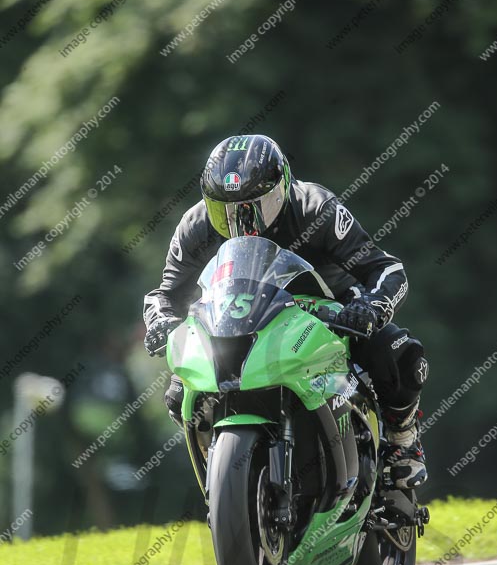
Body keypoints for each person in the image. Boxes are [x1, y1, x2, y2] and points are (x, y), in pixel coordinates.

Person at [143, 134, 428, 489]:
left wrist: (370, 307)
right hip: (237, 321)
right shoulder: (195, 225)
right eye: (224, 210)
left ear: (281, 190)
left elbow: (385, 268)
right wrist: (160, 322)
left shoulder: (315, 207)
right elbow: (165, 294)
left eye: (252, 207)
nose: (240, 221)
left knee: (396, 350)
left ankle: (403, 440)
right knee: (178, 393)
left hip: (329, 311)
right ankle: (221, 473)